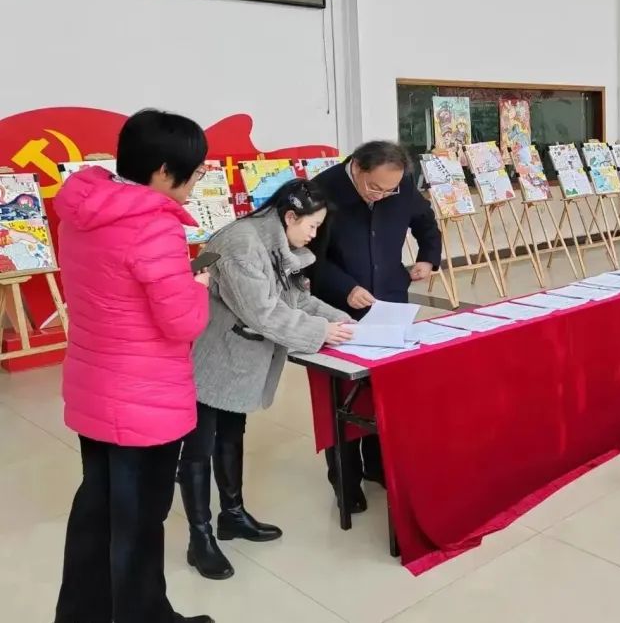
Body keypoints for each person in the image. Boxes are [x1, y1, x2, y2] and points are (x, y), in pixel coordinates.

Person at [53, 109, 214, 623]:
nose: (195, 183)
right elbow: (182, 322)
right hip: (145, 399)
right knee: (140, 522)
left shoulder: (82, 211)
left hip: (94, 386)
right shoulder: (152, 226)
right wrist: (198, 288)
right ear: (164, 171)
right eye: (194, 172)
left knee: (97, 515)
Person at [177, 179, 354, 580]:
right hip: (211, 357)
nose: (314, 235)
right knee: (198, 449)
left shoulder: (276, 244)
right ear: (290, 216)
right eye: (312, 226)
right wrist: (320, 332)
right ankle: (199, 538)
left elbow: (296, 299)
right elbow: (262, 312)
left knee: (230, 435)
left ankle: (232, 515)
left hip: (239, 360)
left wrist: (341, 322)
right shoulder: (242, 245)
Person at [309, 141, 441, 511]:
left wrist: (428, 258)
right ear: (357, 167)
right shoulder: (322, 189)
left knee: (383, 388)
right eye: (374, 188)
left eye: (389, 191)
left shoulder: (400, 184)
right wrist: (344, 288)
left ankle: (378, 466)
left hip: (390, 302)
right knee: (340, 395)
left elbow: (425, 222)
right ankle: (345, 480)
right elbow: (307, 255)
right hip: (338, 309)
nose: (381, 196)